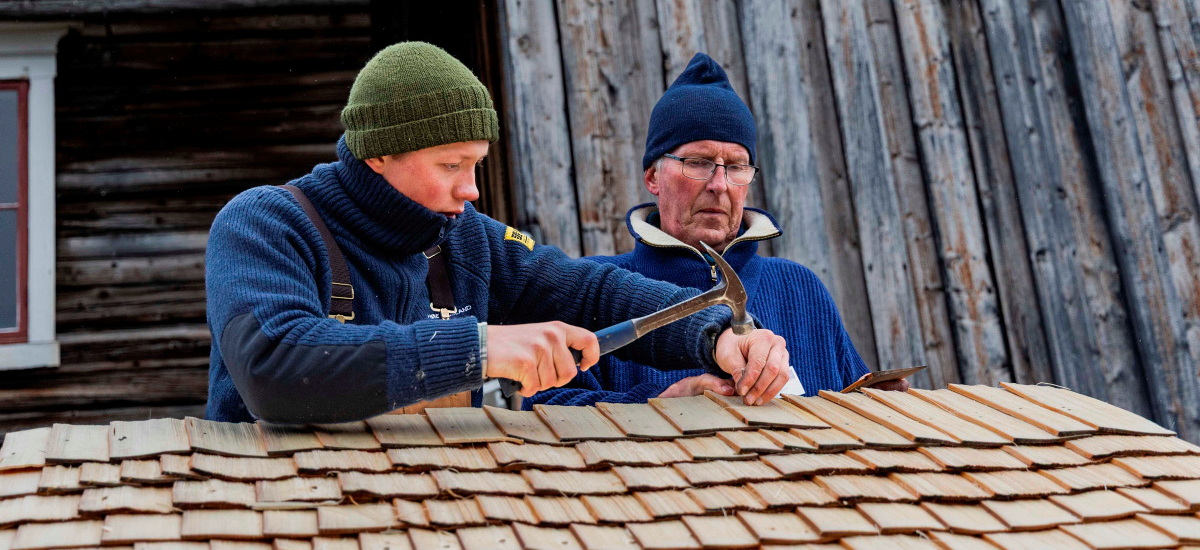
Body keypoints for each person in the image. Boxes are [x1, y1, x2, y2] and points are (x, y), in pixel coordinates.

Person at [204, 42, 790, 424]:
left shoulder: (466, 240)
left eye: (477, 164)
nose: (472, 189)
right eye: (451, 166)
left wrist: (714, 332)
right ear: (378, 154)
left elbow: (591, 292)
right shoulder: (266, 224)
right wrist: (480, 348)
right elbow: (272, 365)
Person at [526, 53, 907, 408]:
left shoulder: (801, 289)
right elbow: (539, 413)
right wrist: (661, 403)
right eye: (699, 161)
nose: (720, 184)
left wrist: (874, 404)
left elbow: (847, 406)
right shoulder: (597, 291)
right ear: (653, 176)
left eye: (736, 166)